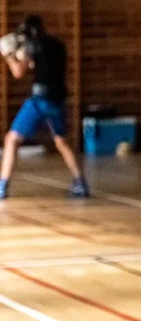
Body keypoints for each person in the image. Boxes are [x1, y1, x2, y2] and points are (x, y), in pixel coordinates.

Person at [0, 15, 88, 199]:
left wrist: (8, 56)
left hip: (39, 101)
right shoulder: (57, 45)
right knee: (61, 141)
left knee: (11, 139)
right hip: (57, 100)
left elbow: (17, 72)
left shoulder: (33, 46)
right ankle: (81, 182)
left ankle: (2, 185)